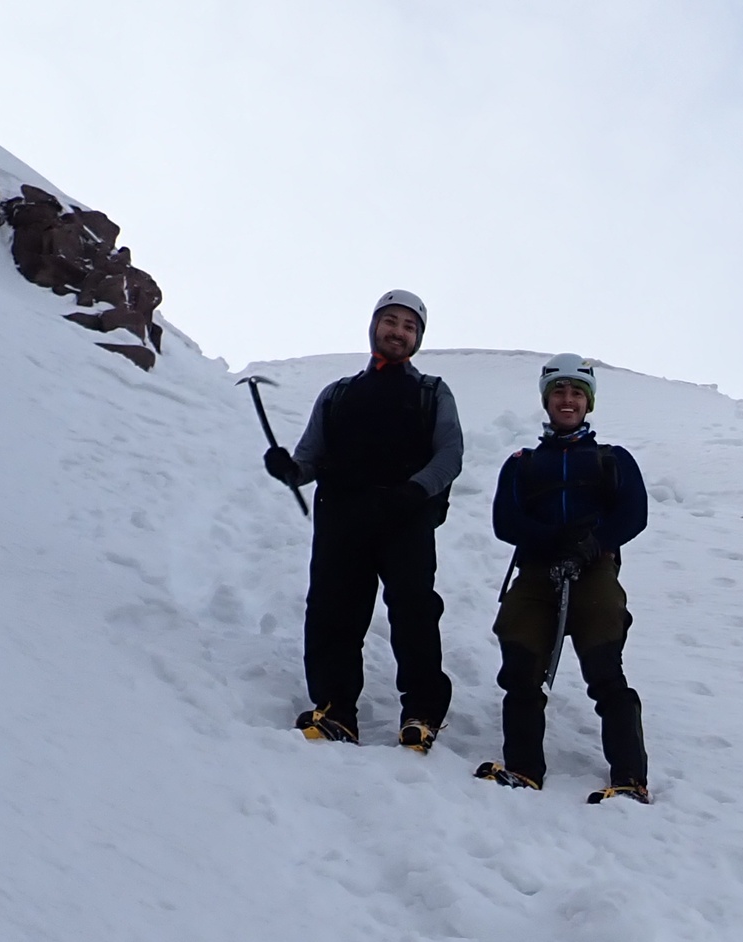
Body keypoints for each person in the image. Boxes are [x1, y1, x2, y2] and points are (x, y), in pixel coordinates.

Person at [262, 289, 463, 752]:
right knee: (333, 609)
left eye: (409, 326)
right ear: (374, 326)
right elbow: (310, 456)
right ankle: (335, 710)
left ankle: (422, 713)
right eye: (391, 321)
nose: (398, 331)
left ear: (418, 339)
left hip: (405, 517)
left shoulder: (432, 391)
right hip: (342, 515)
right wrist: (290, 471)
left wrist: (414, 492)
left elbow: (450, 453)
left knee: (414, 611)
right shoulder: (337, 393)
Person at [476, 354, 654, 803]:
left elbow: (634, 514)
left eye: (577, 392)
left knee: (604, 671)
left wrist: (591, 545)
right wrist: (555, 538)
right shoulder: (522, 463)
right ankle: (523, 768)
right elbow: (505, 521)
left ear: (588, 403)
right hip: (537, 570)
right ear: (546, 399)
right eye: (559, 391)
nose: (568, 400)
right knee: (520, 667)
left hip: (593, 571)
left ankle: (630, 777)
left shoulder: (612, 460)